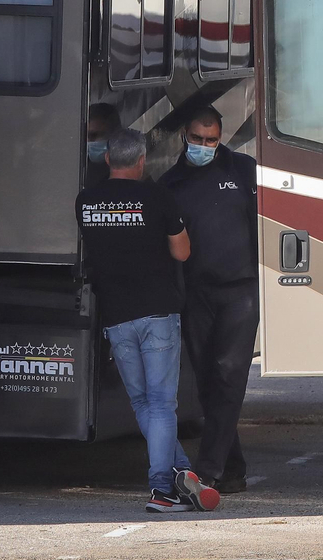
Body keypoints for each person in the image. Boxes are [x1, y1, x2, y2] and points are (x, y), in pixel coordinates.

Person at [76, 127, 220, 514]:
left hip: (116, 316)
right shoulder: (157, 197)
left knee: (143, 402)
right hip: (157, 313)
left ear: (107, 159)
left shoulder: (85, 201)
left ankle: (182, 473)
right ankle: (162, 490)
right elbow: (182, 252)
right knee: (160, 405)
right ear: (141, 162)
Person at [160, 106, 259, 495]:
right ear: (185, 135)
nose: (204, 146)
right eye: (198, 140)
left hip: (242, 290)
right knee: (207, 384)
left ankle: (208, 472)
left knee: (229, 377)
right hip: (196, 293)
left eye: (212, 140)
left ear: (221, 138)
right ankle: (233, 471)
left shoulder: (243, 170)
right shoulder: (171, 183)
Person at [84, 102, 120, 186]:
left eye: (94, 135)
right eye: (84, 136)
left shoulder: (129, 173)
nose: (88, 141)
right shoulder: (77, 169)